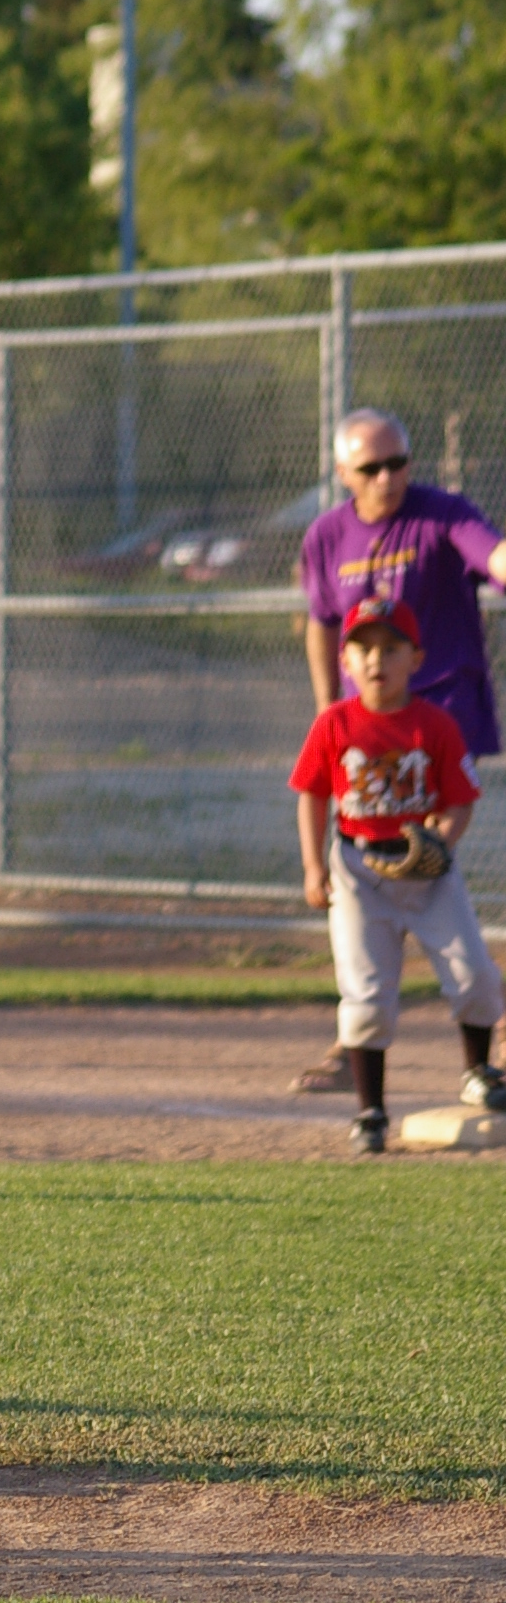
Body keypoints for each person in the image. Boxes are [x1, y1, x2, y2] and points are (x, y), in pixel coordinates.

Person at [292, 410, 506, 1093]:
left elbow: (494, 556)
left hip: (441, 710)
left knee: (430, 853)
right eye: (371, 468)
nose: (389, 477)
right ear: (343, 474)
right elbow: (324, 623)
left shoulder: (441, 513)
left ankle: (475, 1030)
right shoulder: (327, 536)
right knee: (380, 862)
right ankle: (363, 1028)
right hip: (369, 722)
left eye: (399, 462)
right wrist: (328, 707)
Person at [291, 594, 506, 1155]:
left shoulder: (434, 724)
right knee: (366, 995)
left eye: (391, 648)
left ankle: (478, 1071)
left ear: (417, 659)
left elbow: (460, 801)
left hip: (429, 872)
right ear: (345, 661)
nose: (376, 659)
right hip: (358, 870)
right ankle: (371, 1112)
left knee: (476, 976)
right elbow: (312, 794)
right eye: (362, 648)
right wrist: (313, 866)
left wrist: (440, 842)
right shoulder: (334, 723)